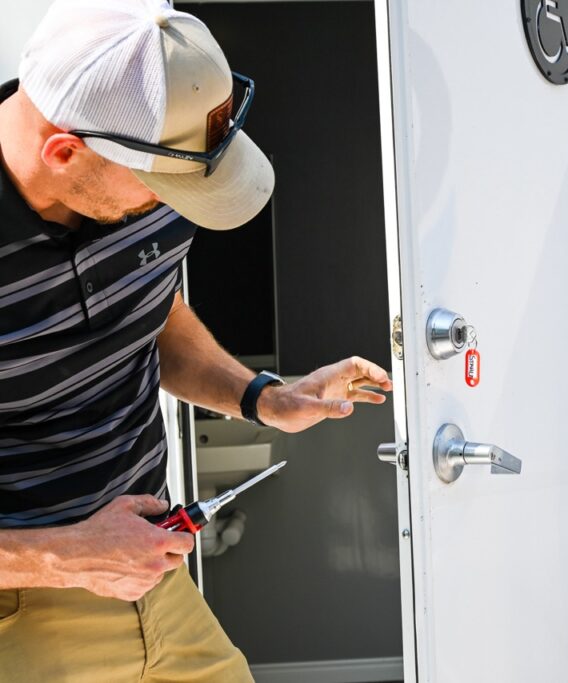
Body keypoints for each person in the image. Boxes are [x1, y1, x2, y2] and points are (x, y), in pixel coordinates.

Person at [0, 1, 393, 680]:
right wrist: (64, 553)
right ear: (64, 152)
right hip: (21, 606)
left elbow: (149, 311)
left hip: (156, 578)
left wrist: (262, 395)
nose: (178, 205)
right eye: (160, 190)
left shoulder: (132, 189)